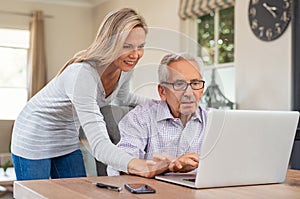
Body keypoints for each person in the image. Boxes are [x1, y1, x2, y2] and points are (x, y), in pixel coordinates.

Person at [11, 8, 166, 181]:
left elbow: (124, 97)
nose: (135, 55)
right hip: (34, 134)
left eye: (141, 46)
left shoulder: (124, 69)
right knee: (35, 194)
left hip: (66, 136)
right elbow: (100, 146)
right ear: (109, 43)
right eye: (127, 46)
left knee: (75, 193)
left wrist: (162, 105)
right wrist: (138, 165)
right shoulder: (82, 74)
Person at [107, 53, 208, 176]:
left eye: (195, 83)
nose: (189, 93)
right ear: (162, 91)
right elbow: (119, 165)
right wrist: (166, 167)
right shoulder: (140, 118)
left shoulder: (213, 120)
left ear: (202, 90)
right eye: (179, 84)